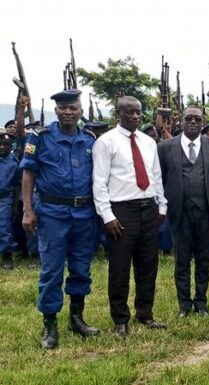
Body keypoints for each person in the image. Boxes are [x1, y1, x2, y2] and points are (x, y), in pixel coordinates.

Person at [20, 90, 99, 349]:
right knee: (52, 270)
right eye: (63, 108)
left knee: (81, 268)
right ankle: (50, 324)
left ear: (80, 111)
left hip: (84, 213)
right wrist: (28, 210)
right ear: (56, 111)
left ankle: (77, 318)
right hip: (52, 213)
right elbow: (28, 174)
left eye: (73, 108)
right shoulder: (40, 137)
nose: (68, 112)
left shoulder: (89, 139)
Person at [93, 96, 168, 337]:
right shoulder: (106, 142)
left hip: (149, 208)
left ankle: (145, 314)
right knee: (120, 267)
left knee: (148, 264)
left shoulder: (148, 142)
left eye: (138, 112)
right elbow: (99, 182)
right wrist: (107, 216)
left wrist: (162, 205)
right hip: (121, 210)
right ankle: (120, 319)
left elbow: (155, 176)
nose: (135, 116)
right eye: (129, 112)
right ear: (119, 114)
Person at [157, 107, 209, 318]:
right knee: (181, 261)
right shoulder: (165, 147)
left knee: (204, 260)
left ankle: (201, 303)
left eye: (197, 119)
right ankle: (184, 305)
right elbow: (159, 178)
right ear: (181, 121)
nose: (193, 122)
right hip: (179, 212)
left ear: (203, 121)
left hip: (206, 212)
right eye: (188, 118)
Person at [0, 128, 19, 270]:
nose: (2, 147)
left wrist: (15, 205)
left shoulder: (13, 163)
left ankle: (7, 255)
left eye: (5, 145)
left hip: (4, 199)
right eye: (0, 144)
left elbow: (17, 185)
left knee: (4, 227)